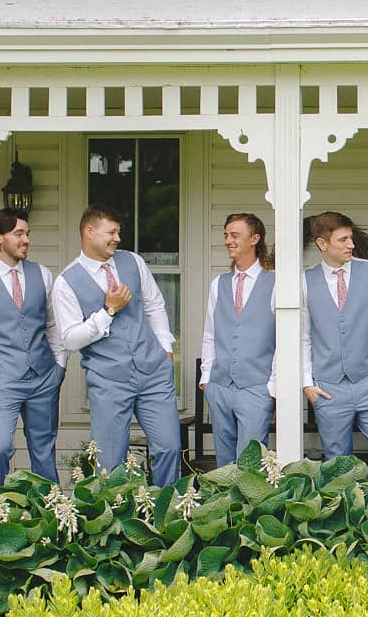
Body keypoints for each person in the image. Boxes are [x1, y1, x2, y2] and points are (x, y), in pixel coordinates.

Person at [52, 204, 181, 485]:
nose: (117, 238)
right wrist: (107, 311)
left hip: (153, 371)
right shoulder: (66, 282)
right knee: (109, 461)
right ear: (89, 232)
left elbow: (155, 305)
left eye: (118, 232)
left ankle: (168, 516)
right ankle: (115, 525)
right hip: (108, 379)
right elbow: (70, 339)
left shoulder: (133, 262)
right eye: (111, 232)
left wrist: (166, 349)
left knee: (169, 447)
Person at [0, 208, 66, 490]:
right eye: (18, 233)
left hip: (43, 377)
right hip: (1, 380)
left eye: (27, 233)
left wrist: (59, 367)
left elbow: (53, 325)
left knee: (43, 451)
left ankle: (51, 517)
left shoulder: (42, 275)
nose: (26, 239)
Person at [301, 211, 368, 484]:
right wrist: (306, 383)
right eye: (343, 239)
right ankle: (345, 520)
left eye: (351, 238)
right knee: (338, 467)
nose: (351, 245)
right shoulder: (305, 281)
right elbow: (303, 337)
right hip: (327, 388)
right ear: (323, 244)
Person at [200, 212, 277, 465]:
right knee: (224, 461)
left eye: (235, 235)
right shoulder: (218, 284)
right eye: (226, 235)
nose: (228, 241)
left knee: (251, 461)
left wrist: (272, 384)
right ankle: (227, 505)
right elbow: (210, 333)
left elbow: (282, 338)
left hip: (257, 386)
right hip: (220, 385)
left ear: (254, 239)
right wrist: (206, 378)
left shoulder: (275, 282)